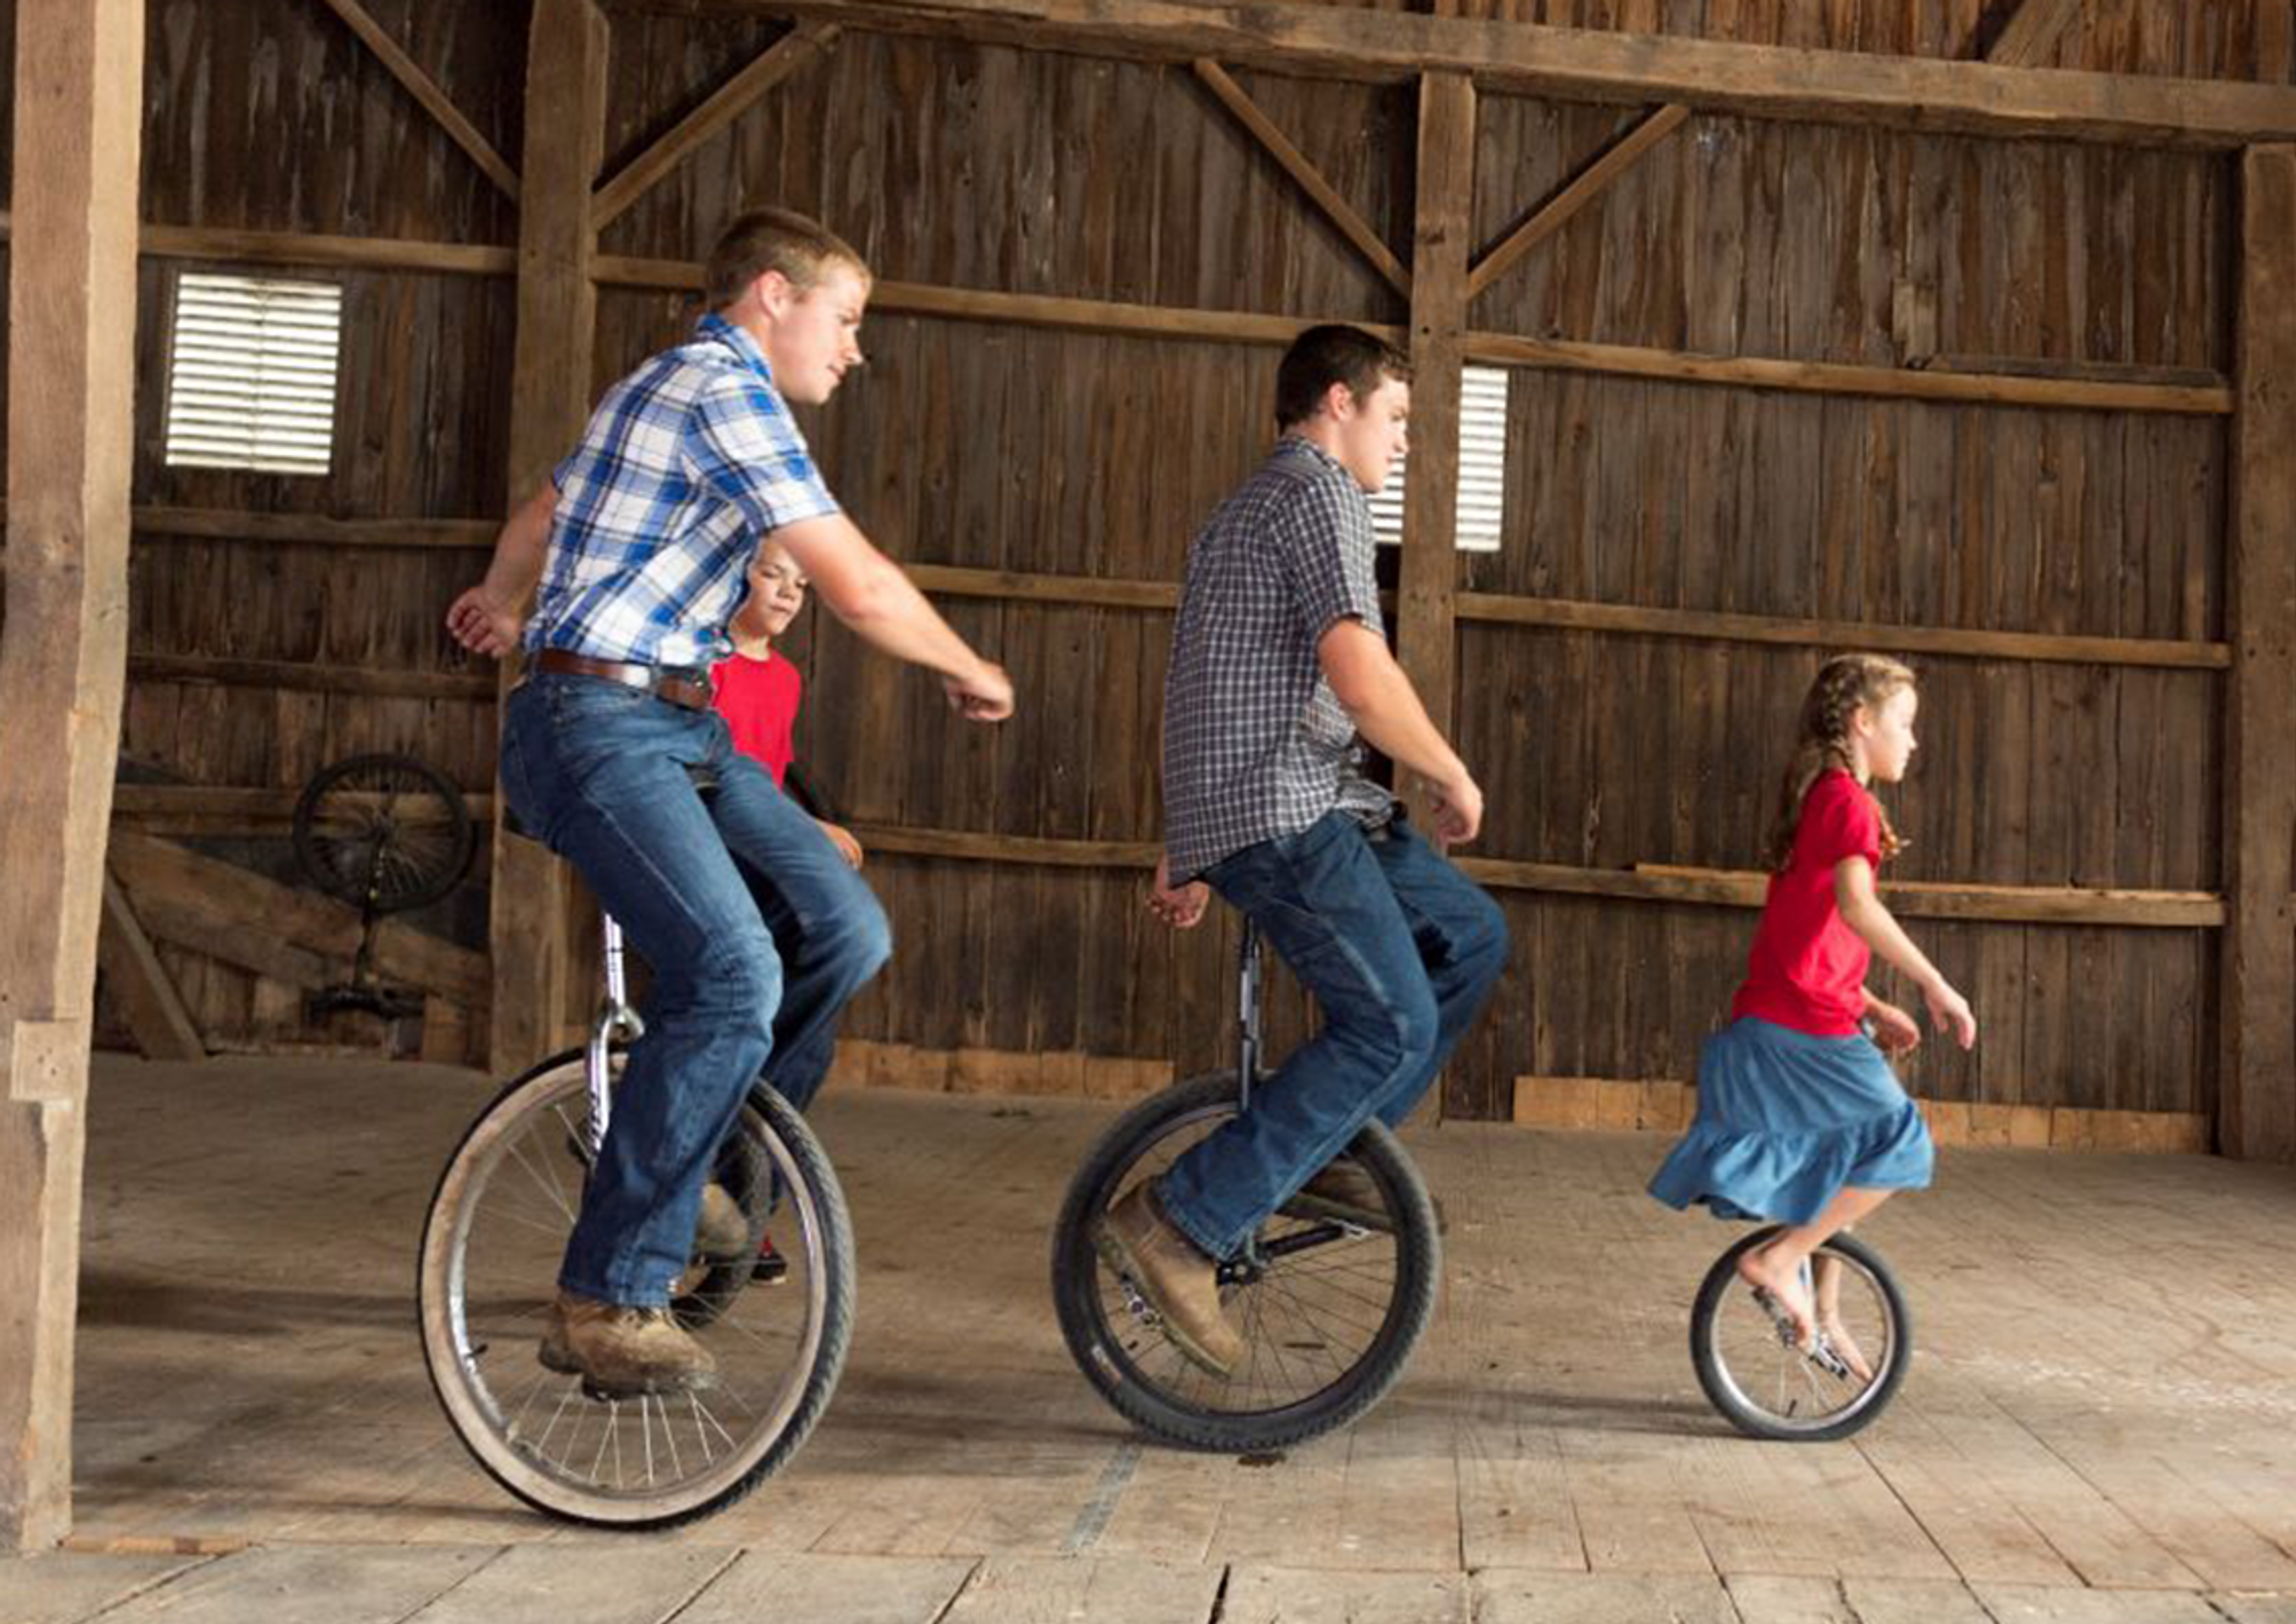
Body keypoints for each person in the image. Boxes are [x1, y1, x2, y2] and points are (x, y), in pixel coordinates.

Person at [445, 207, 1014, 1396]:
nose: (853, 352)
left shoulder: (652, 391)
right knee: (734, 972)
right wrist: (964, 663)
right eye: (846, 320)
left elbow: (549, 512)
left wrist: (504, 596)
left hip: (677, 720)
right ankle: (608, 1291)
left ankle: (693, 1151)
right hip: (597, 726)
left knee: (845, 928)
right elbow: (851, 577)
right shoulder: (722, 386)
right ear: (771, 295)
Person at [1099, 322, 1509, 1379]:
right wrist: (1449, 770)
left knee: (1467, 935)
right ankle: (1180, 1222)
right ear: (1338, 403)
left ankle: (1329, 1146)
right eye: (1399, 417)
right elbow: (1361, 673)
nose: (1406, 441)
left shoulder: (1246, 510)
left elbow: (1204, 676)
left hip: (1295, 795)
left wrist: (1181, 842)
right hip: (1281, 807)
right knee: (1389, 1021)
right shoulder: (1318, 492)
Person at [1647, 653, 1970, 1383]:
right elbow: (1858, 907)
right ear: (1863, 723)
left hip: (1791, 1014)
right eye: (1906, 724)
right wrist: (1934, 986)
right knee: (1905, 1146)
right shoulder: (1848, 803)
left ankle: (1822, 1311)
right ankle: (1780, 1258)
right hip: (1800, 1028)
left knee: (1846, 1160)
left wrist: (1875, 1003)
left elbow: (1807, 936)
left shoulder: (1822, 798)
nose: (1913, 743)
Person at [712, 538, 865, 873]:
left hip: (759, 830)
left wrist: (804, 824)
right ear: (734, 575)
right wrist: (805, 827)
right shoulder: (705, 664)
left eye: (800, 584)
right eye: (772, 574)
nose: (789, 593)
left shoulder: (786, 679)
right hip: (706, 830)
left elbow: (770, 777)